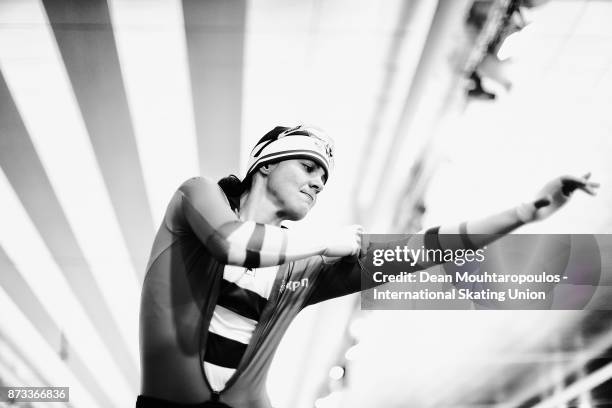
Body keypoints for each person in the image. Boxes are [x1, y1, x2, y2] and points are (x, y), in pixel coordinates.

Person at [137, 125, 599, 408]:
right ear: (264, 164)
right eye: (308, 165)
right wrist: (327, 242)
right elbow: (231, 243)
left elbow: (423, 249)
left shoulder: (304, 268)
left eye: (324, 177)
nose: (319, 181)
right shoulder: (197, 197)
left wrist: (526, 211)